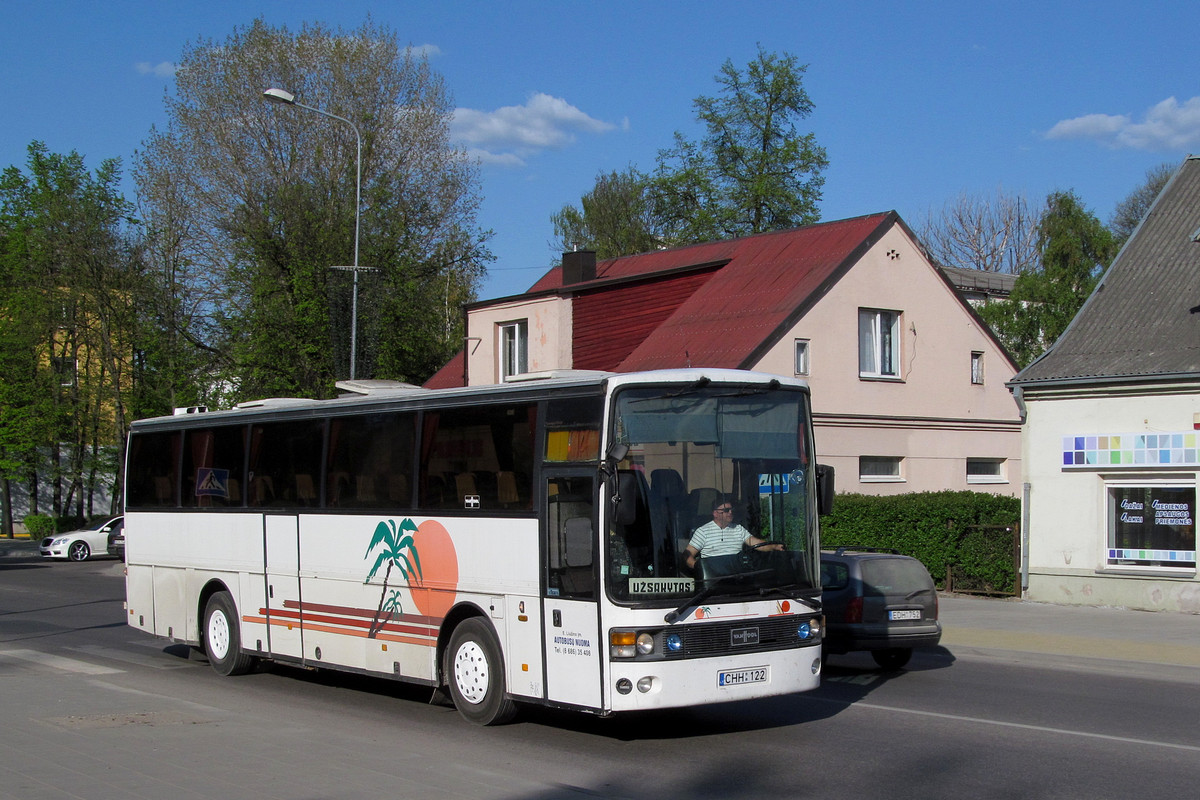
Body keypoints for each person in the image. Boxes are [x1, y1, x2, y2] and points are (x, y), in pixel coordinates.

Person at [685, 495, 782, 570]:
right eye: (726, 510)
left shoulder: (738, 529)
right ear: (715, 513)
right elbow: (687, 555)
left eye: (731, 510)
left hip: (736, 576)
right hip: (713, 579)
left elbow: (758, 544)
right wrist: (700, 569)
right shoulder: (703, 532)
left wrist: (775, 546)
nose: (730, 512)